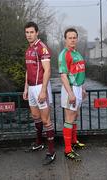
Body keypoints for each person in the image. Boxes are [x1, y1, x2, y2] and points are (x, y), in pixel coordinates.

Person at [23, 21, 56, 165]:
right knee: (35, 116)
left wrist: (43, 90)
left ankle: (52, 152)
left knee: (46, 120)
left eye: (31, 32)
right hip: (31, 88)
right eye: (27, 32)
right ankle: (39, 142)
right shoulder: (28, 49)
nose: (29, 35)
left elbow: (48, 70)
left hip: (40, 87)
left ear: (37, 32)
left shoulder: (42, 48)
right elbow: (27, 70)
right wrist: (25, 88)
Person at [58, 27, 86, 161]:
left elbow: (81, 72)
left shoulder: (77, 53)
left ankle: (74, 141)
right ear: (65, 39)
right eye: (70, 37)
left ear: (77, 38)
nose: (72, 39)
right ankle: (67, 150)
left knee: (75, 116)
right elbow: (63, 76)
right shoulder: (64, 54)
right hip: (70, 88)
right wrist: (70, 94)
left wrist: (83, 89)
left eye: (74, 37)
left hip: (78, 88)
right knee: (69, 118)